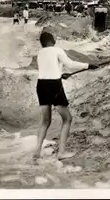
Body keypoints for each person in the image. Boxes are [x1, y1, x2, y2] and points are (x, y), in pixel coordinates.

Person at [33, 32, 98, 161]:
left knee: (45, 121)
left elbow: (51, 68)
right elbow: (70, 64)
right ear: (51, 40)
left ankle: (36, 152)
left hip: (41, 85)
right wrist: (88, 65)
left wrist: (62, 73)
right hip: (54, 85)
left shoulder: (40, 53)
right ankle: (61, 153)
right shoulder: (57, 50)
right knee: (67, 119)